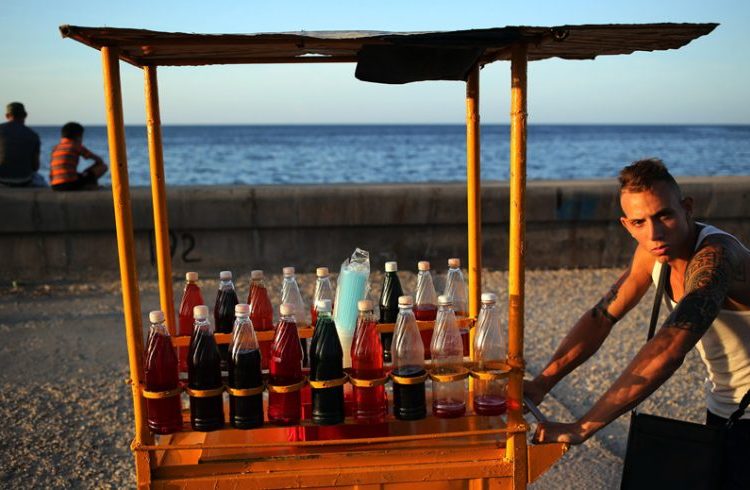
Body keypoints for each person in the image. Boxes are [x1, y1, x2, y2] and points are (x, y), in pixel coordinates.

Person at [527, 159, 750, 488]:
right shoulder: (652, 252)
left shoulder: (716, 257)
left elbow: (670, 347)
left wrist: (584, 426)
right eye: (639, 222)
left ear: (686, 208)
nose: (654, 233)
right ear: (626, 224)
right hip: (725, 406)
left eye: (665, 216)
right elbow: (601, 317)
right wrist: (542, 383)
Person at [49, 122, 107, 191]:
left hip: (55, 186)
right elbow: (98, 160)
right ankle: (90, 186)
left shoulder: (56, 148)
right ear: (78, 136)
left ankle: (89, 185)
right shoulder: (75, 145)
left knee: (79, 174)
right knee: (103, 166)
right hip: (70, 184)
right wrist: (89, 170)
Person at [0, 102, 46, 187]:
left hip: (1, 179)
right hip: (24, 180)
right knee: (42, 180)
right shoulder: (33, 135)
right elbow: (35, 167)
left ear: (7, 116)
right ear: (25, 115)